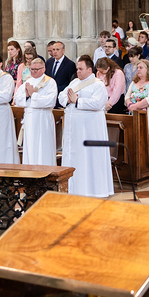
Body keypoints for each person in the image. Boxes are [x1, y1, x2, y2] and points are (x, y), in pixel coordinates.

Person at [60, 56, 114, 197]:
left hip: (89, 129)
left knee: (89, 158)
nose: (77, 71)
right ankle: (72, 188)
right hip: (73, 128)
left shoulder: (98, 84)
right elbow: (61, 96)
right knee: (74, 156)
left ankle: (93, 189)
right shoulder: (74, 82)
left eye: (80, 69)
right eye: (77, 68)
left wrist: (78, 100)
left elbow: (97, 103)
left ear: (89, 70)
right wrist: (69, 100)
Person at [13, 57, 59, 166]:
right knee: (30, 146)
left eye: (36, 69)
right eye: (32, 69)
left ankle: (45, 170)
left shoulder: (50, 82)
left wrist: (33, 95)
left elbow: (50, 101)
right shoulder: (28, 82)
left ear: (43, 69)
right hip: (30, 118)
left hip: (43, 119)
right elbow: (18, 99)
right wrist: (27, 96)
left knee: (43, 146)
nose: (33, 71)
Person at [125, 59, 149, 156]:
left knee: (146, 146)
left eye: (141, 68)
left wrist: (135, 106)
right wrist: (129, 104)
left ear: (148, 69)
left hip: (147, 118)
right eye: (137, 68)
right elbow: (127, 96)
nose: (138, 70)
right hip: (134, 116)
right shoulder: (134, 82)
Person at [45, 41, 77, 108]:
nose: (55, 52)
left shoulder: (70, 64)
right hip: (49, 97)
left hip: (61, 97)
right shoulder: (49, 62)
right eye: (53, 50)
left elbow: (71, 82)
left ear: (63, 50)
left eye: (57, 49)